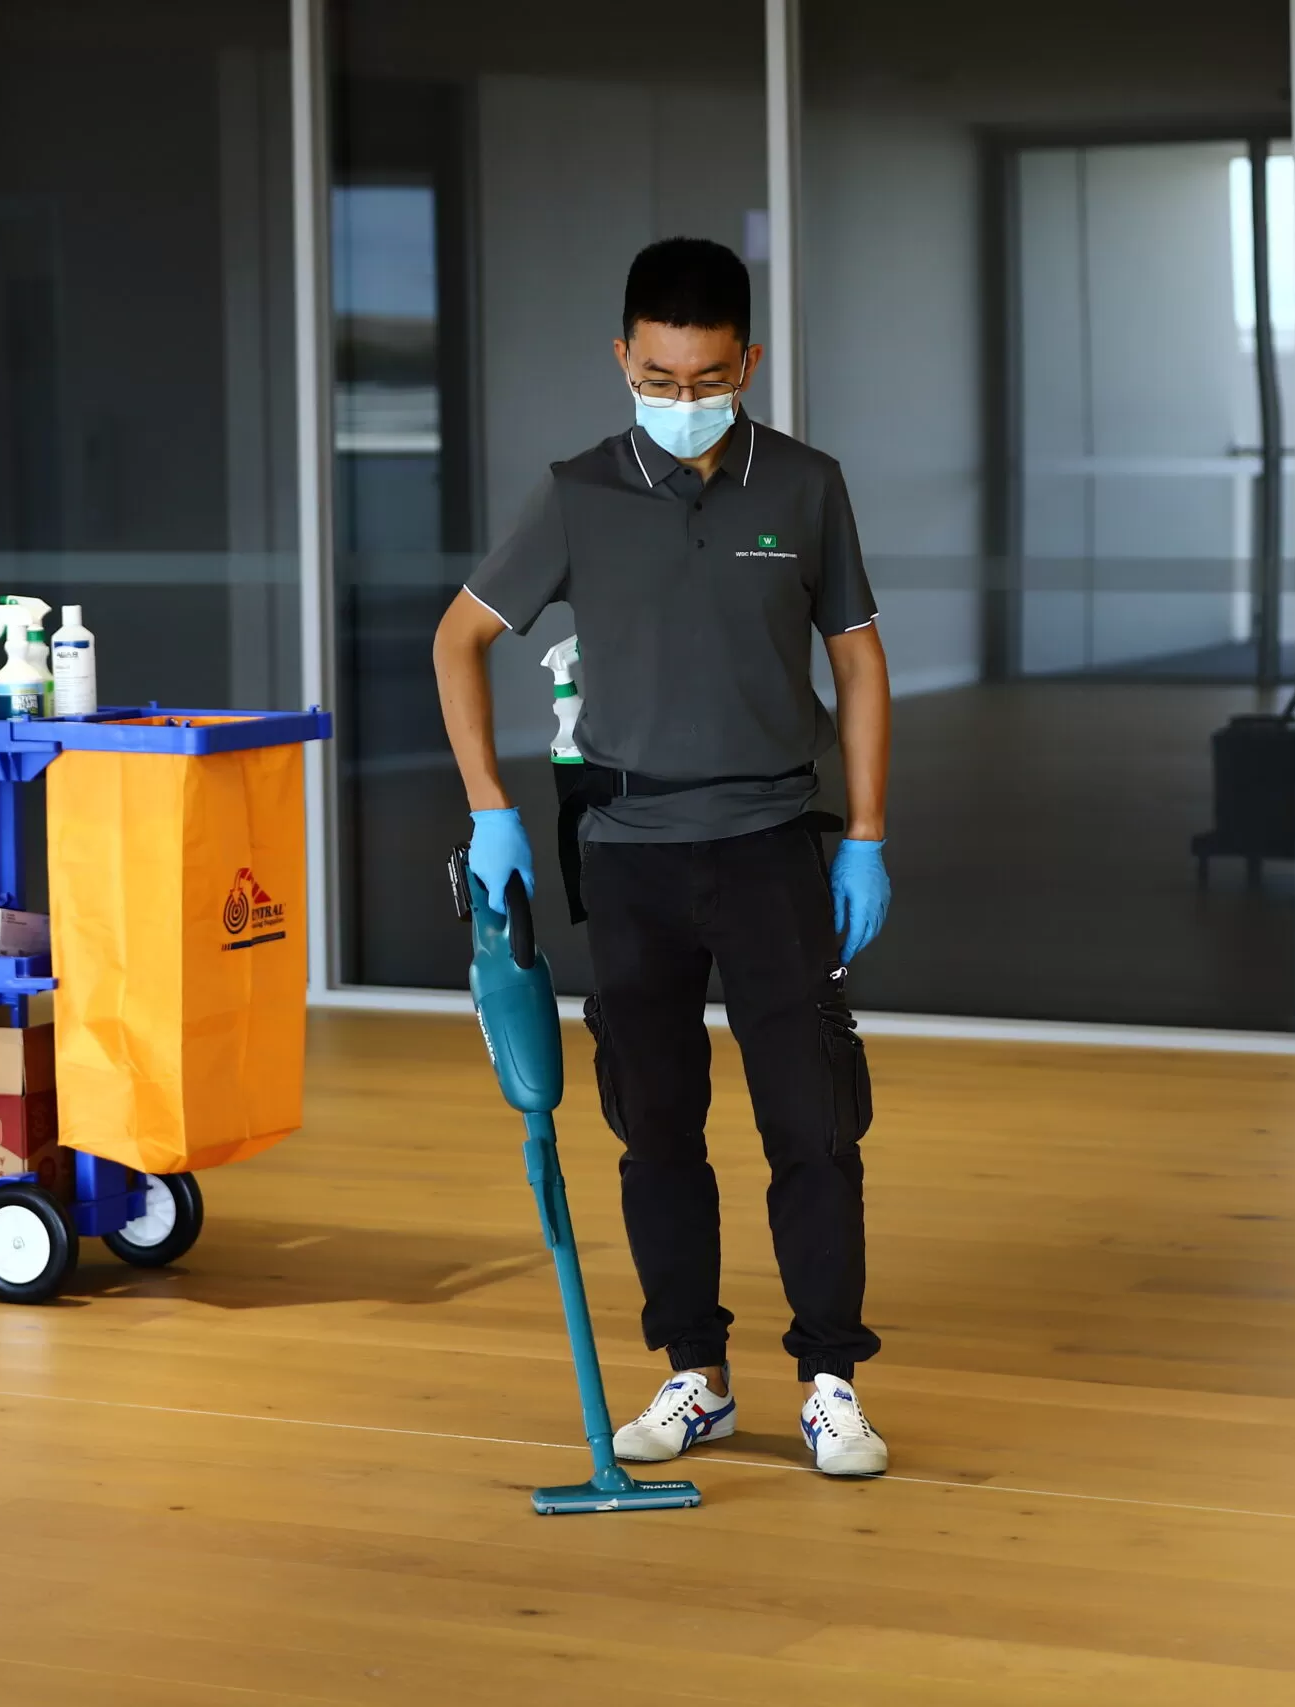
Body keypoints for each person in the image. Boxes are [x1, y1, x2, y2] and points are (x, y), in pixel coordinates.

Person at [431, 237, 893, 1478]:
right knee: (658, 1132)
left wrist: (866, 836)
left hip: (770, 848)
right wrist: (491, 810)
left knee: (812, 1125)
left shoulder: (805, 485)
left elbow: (855, 657)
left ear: (746, 362)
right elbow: (456, 640)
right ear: (622, 360)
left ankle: (830, 1383)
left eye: (704, 380)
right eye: (658, 377)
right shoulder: (577, 492)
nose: (681, 404)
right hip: (629, 853)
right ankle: (694, 1376)